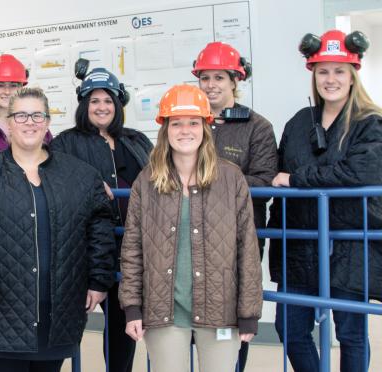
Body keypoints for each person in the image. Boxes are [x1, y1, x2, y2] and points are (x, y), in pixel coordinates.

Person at [0, 87, 115, 372]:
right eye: (21, 115)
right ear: (8, 123)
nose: (29, 122)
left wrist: (98, 280)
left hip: (59, 315)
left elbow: (100, 230)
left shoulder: (80, 175)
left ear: (47, 123)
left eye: (37, 115)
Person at [119, 84, 263, 372]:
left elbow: (247, 247)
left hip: (221, 310)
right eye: (177, 123)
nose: (185, 131)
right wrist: (132, 308)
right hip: (163, 310)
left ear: (205, 127)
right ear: (165, 129)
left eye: (193, 123)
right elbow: (132, 250)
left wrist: (249, 313)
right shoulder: (146, 182)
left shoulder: (231, 179)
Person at [269, 29, 382, 372]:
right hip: (300, 244)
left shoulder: (369, 122)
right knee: (289, 328)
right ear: (313, 74)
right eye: (323, 71)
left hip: (348, 246)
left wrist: (299, 180)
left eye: (338, 71)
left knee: (351, 334)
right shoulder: (300, 122)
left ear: (352, 76)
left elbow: (360, 172)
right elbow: (278, 173)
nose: (330, 79)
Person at [50, 62, 152, 372]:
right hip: (84, 251)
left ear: (119, 104)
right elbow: (53, 186)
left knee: (123, 327)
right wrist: (88, 185)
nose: (102, 106)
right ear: (83, 104)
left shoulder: (136, 141)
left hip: (130, 251)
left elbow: (157, 178)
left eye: (108, 100)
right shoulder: (65, 142)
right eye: (94, 100)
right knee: (66, 327)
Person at [191, 41, 277, 371]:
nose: (211, 85)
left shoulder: (258, 127)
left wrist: (210, 182)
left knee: (236, 322)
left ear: (235, 82)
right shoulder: (188, 122)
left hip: (238, 242)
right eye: (205, 78)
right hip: (191, 237)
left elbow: (265, 184)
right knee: (192, 318)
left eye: (219, 78)